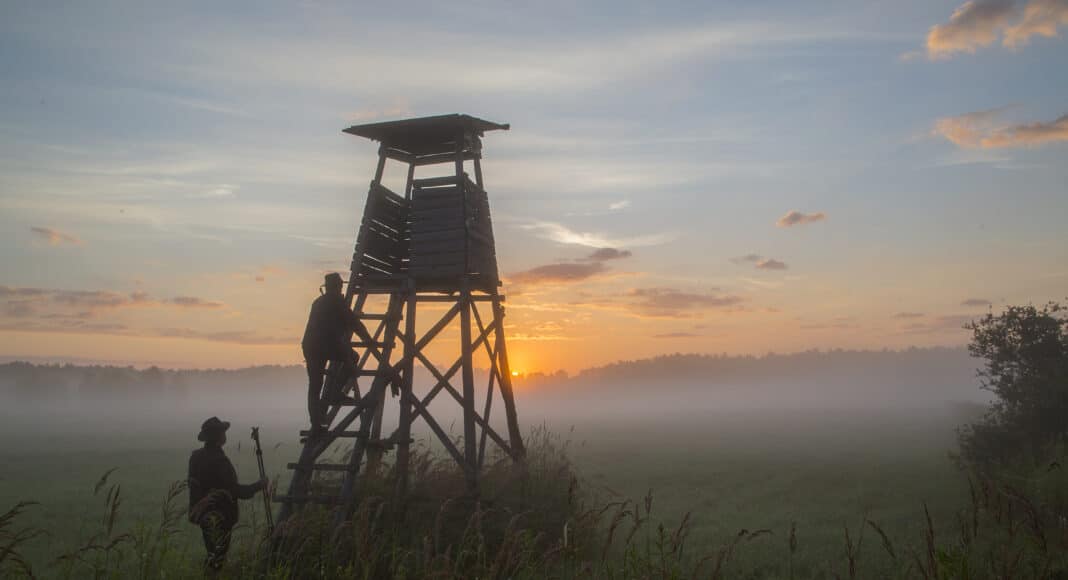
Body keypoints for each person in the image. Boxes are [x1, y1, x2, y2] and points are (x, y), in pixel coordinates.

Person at [187, 417, 266, 572]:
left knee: (213, 555)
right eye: (223, 432)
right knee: (217, 559)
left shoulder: (195, 457)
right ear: (218, 437)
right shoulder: (219, 461)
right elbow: (234, 490)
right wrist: (259, 485)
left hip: (203, 514)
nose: (225, 434)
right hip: (220, 518)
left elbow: (193, 484)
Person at [302, 272, 360, 432]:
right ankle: (335, 392)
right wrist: (368, 339)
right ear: (336, 287)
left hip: (311, 346)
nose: (341, 289)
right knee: (353, 357)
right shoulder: (336, 301)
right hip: (323, 346)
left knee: (315, 385)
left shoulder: (319, 302)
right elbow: (353, 323)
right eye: (340, 286)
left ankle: (316, 423)